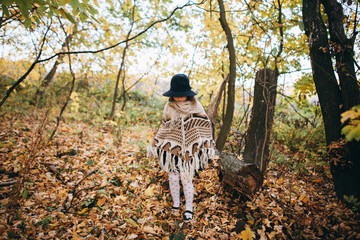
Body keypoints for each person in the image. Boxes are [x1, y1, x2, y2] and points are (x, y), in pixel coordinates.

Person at [147, 73, 216, 222]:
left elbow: (203, 123)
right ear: (172, 95)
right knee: (172, 177)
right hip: (173, 151)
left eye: (182, 95)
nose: (179, 98)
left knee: (186, 178)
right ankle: (176, 203)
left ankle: (189, 207)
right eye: (176, 95)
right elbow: (166, 125)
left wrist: (202, 142)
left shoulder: (196, 106)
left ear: (188, 94)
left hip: (190, 150)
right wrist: (159, 141)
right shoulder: (169, 106)